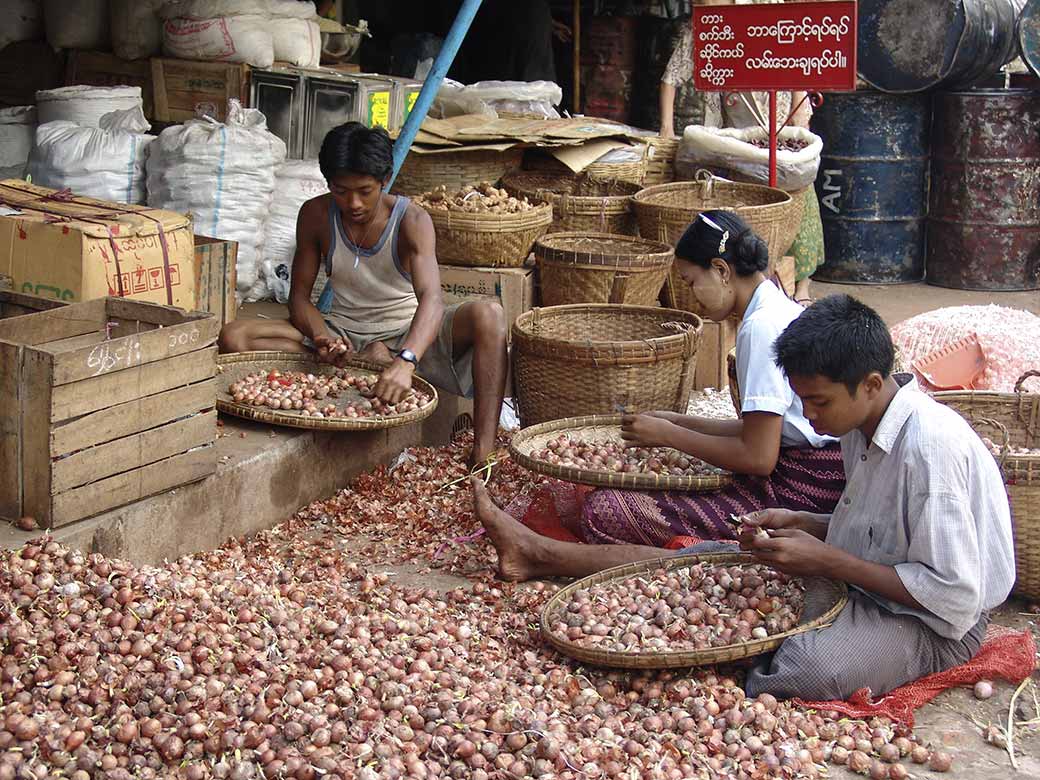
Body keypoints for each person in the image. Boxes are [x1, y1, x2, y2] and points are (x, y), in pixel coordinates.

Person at [473, 294, 1015, 700]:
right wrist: (807, 521)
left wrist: (827, 559)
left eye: (817, 402)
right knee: (699, 569)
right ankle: (538, 553)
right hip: (869, 581)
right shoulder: (861, 425)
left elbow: (953, 596)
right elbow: (884, 529)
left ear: (871, 384)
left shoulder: (931, 452)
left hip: (937, 626)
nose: (809, 417)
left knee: (806, 670)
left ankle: (762, 653)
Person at [218, 123, 508, 468]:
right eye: (341, 191)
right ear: (328, 183)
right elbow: (299, 298)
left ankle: (483, 451)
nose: (353, 203)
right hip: (344, 334)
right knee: (234, 336)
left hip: (406, 332)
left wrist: (406, 361)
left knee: (489, 315)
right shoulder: (315, 215)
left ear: (384, 180)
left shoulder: (412, 220)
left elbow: (432, 299)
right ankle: (367, 361)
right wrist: (322, 337)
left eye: (364, 191)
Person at [573, 210, 845, 547]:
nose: (691, 295)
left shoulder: (760, 328)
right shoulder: (776, 303)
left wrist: (670, 435)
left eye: (691, 282)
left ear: (721, 270)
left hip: (806, 487)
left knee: (606, 510)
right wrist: (680, 423)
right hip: (822, 472)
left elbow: (759, 457)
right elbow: (765, 429)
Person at [658, 0, 822, 302]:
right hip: (736, 139)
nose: (699, 4)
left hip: (781, 130)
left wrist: (801, 127)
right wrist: (666, 128)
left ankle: (803, 287)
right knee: (746, 209)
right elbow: (671, 77)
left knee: (801, 203)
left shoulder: (773, 20)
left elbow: (797, 72)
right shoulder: (708, 29)